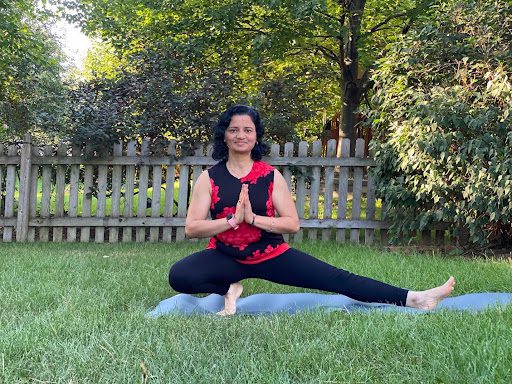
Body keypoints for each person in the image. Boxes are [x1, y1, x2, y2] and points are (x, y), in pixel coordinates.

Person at [168, 105, 455, 315]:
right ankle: (230, 287)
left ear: (256, 137)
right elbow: (192, 228)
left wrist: (253, 219)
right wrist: (232, 221)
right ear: (225, 136)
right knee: (180, 276)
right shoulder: (210, 177)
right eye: (233, 130)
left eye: (247, 130)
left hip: (270, 255)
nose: (240, 135)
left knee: (337, 279)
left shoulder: (270, 177)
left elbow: (292, 224)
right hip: (225, 257)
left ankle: (415, 299)